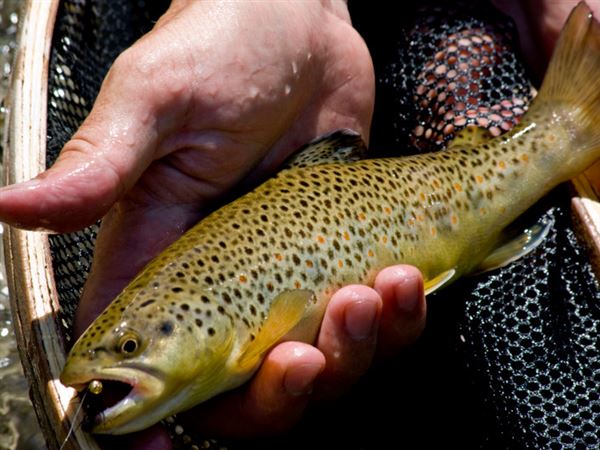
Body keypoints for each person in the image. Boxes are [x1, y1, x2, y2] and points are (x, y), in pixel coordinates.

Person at [0, 1, 595, 449]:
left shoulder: (238, 340)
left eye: (131, 347)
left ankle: (569, 131)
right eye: (128, 348)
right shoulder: (206, 329)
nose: (106, 369)